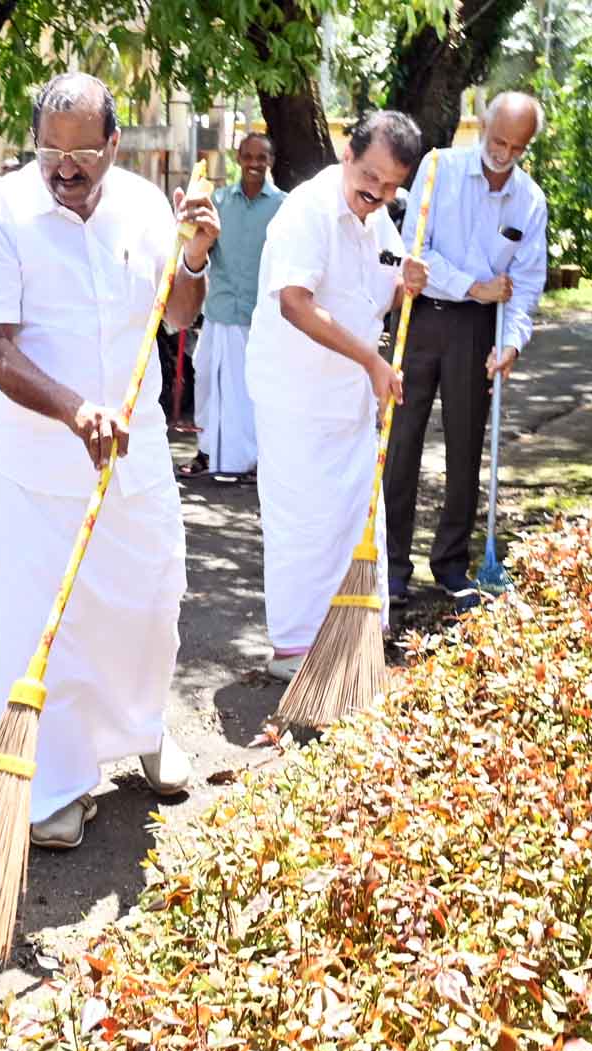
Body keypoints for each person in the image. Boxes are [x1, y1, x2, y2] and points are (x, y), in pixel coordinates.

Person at [0, 72, 215, 848]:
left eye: (81, 153)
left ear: (112, 143)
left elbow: (176, 314)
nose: (64, 169)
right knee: (44, 627)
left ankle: (142, 728)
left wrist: (195, 258)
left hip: (133, 461)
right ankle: (53, 782)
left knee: (150, 601)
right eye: (49, 151)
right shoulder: (1, 214)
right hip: (36, 465)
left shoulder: (143, 205)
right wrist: (74, 409)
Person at [245, 111, 428, 682]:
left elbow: (384, 285)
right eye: (370, 178)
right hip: (296, 395)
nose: (377, 193)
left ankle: (352, 633)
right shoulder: (307, 210)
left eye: (392, 185)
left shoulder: (379, 220)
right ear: (347, 155)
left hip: (349, 395)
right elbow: (295, 303)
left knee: (351, 516)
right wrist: (371, 360)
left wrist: (408, 283)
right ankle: (295, 647)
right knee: (302, 519)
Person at [383, 92, 548, 608]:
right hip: (422, 316)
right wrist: (473, 287)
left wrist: (511, 345)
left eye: (516, 146)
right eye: (497, 140)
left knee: (465, 449)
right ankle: (390, 566)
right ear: (482, 127)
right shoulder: (438, 168)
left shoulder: (530, 201)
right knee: (401, 444)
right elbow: (417, 250)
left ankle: (451, 565)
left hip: (479, 332)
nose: (503, 153)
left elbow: (526, 284)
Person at [177, 133, 284, 483]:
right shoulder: (218, 202)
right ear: (238, 158)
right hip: (220, 314)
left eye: (262, 157)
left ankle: (257, 461)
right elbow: (194, 247)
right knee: (208, 384)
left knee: (255, 392)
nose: (255, 164)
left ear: (271, 160)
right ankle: (207, 452)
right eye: (248, 156)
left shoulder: (283, 207)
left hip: (263, 318)